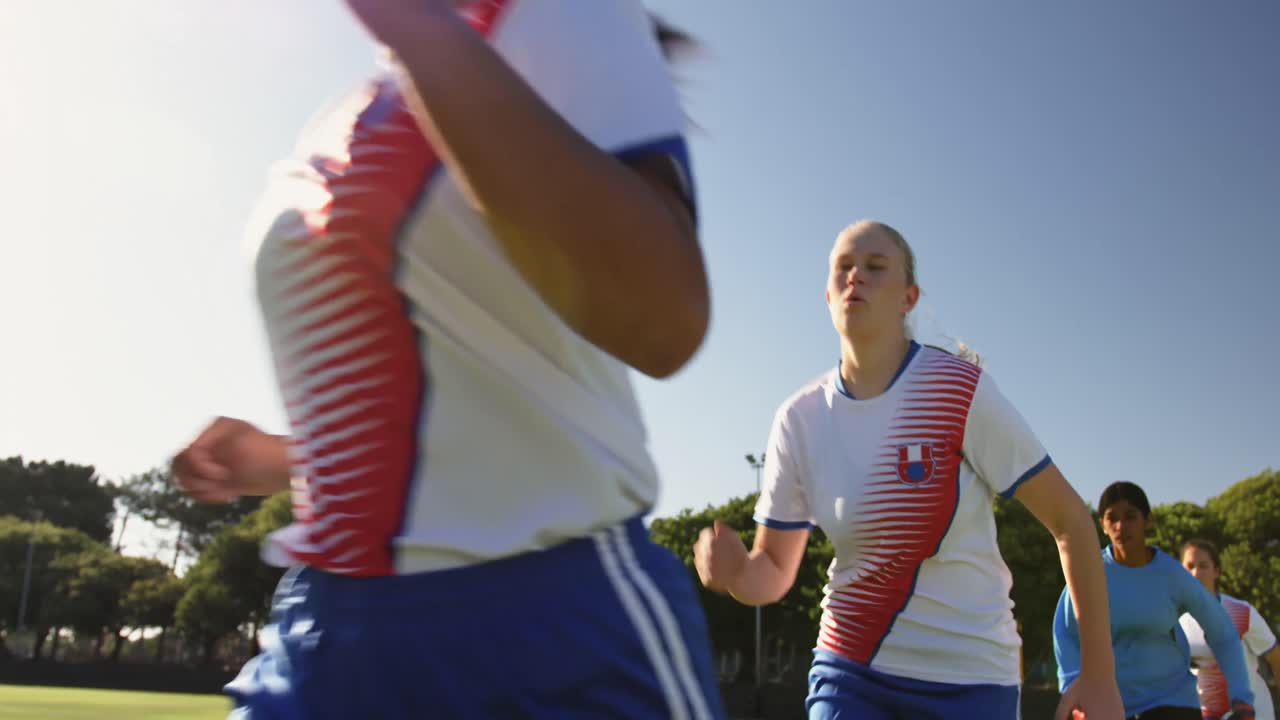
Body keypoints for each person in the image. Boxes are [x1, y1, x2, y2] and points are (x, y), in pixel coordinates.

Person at [171, 1, 725, 718]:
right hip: (324, 636)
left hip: (543, 643)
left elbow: (666, 318)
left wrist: (412, 24)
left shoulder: (562, 15)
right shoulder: (355, 108)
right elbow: (450, 395)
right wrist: (279, 459)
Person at [692, 220, 1124, 720]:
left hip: (971, 676)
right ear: (827, 296)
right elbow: (771, 571)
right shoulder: (799, 418)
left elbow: (1071, 521)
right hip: (850, 669)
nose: (856, 277)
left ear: (909, 298)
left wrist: (1098, 676)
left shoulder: (958, 391)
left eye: (875, 268)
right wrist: (735, 573)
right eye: (843, 269)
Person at [1054, 482, 1256, 720]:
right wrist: (1073, 691)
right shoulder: (1090, 574)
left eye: (1130, 517)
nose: (1121, 526)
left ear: (1148, 521)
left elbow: (1222, 633)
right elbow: (1065, 633)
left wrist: (1242, 699)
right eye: (1112, 518)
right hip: (1113, 707)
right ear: (1102, 526)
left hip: (1173, 702)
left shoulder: (1172, 575)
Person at [1180, 539, 1279, 720]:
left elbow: (1275, 658)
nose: (1195, 573)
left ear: (1216, 571)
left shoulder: (1242, 612)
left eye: (1203, 566)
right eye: (1189, 566)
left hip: (1255, 713)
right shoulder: (1175, 621)